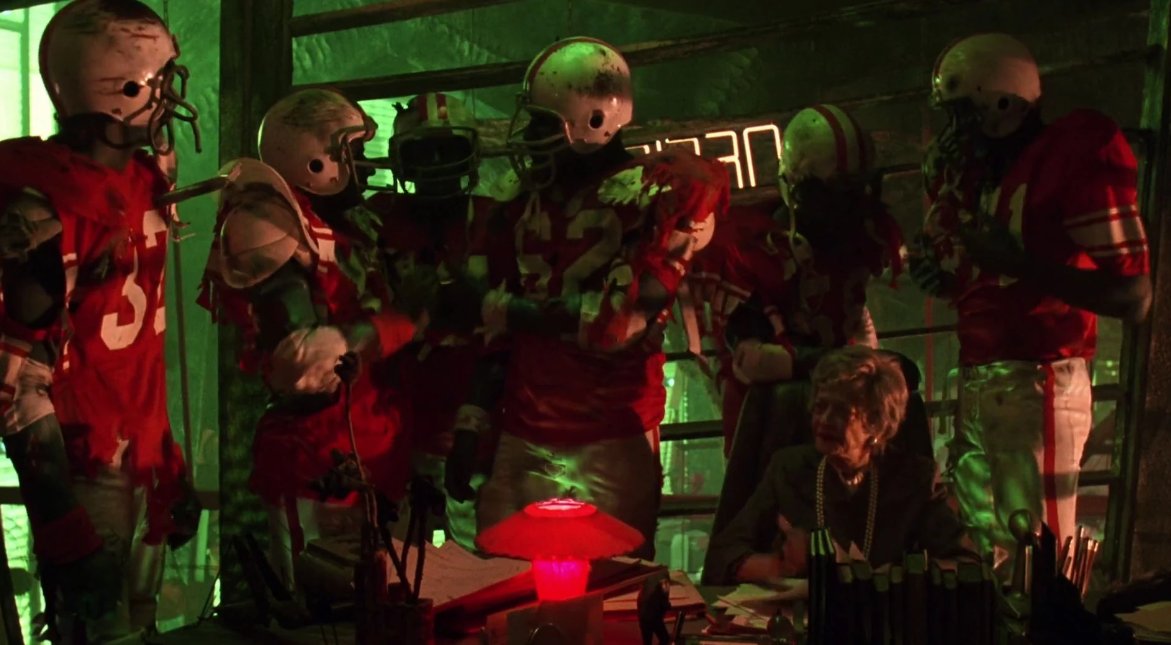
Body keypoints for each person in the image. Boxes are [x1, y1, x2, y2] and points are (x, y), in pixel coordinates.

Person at [457, 37, 730, 560]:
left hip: (610, 437)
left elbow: (616, 325)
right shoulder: (523, 202)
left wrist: (498, 307)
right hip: (526, 429)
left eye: (543, 124)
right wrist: (474, 418)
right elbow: (497, 339)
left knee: (611, 590)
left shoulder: (659, 194)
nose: (529, 138)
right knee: (503, 585)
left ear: (595, 120)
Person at [910, 33, 1151, 573]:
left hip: (1040, 376)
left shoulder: (1068, 153)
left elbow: (1133, 296)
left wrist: (1019, 264)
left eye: (963, 114)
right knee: (986, 554)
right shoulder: (989, 177)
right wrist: (948, 278)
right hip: (980, 377)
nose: (955, 132)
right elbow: (996, 282)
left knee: (1039, 561)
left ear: (1003, 103)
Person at [0, 0, 202, 640]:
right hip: (84, 465)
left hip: (141, 453)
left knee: (141, 626)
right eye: (160, 83)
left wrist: (169, 459)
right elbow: (15, 382)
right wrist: (61, 522)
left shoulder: (142, 178)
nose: (170, 99)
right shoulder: (45, 203)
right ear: (122, 88)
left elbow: (141, 350)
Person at [198, 88, 430, 587]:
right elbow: (303, 364)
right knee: (327, 607)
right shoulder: (271, 224)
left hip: (373, 446)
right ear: (315, 161)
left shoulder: (348, 224)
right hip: (319, 457)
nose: (363, 164)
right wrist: (400, 324)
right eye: (353, 151)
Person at [691, 105, 918, 537]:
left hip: (838, 408)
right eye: (836, 194)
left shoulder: (858, 237)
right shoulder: (750, 246)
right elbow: (753, 361)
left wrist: (870, 365)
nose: (850, 210)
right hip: (770, 416)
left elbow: (854, 319)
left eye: (856, 192)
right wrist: (842, 363)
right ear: (798, 190)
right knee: (769, 527)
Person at [703, 346, 975, 585]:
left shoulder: (915, 478)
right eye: (820, 407)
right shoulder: (788, 469)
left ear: (876, 424)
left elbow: (966, 565)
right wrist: (781, 566)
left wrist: (885, 578)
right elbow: (721, 556)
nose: (824, 420)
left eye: (841, 411)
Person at [365, 91, 505, 551]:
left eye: (448, 149)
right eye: (424, 152)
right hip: (398, 416)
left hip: (473, 412)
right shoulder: (379, 221)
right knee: (395, 560)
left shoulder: (493, 219)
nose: (438, 164)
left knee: (483, 558)